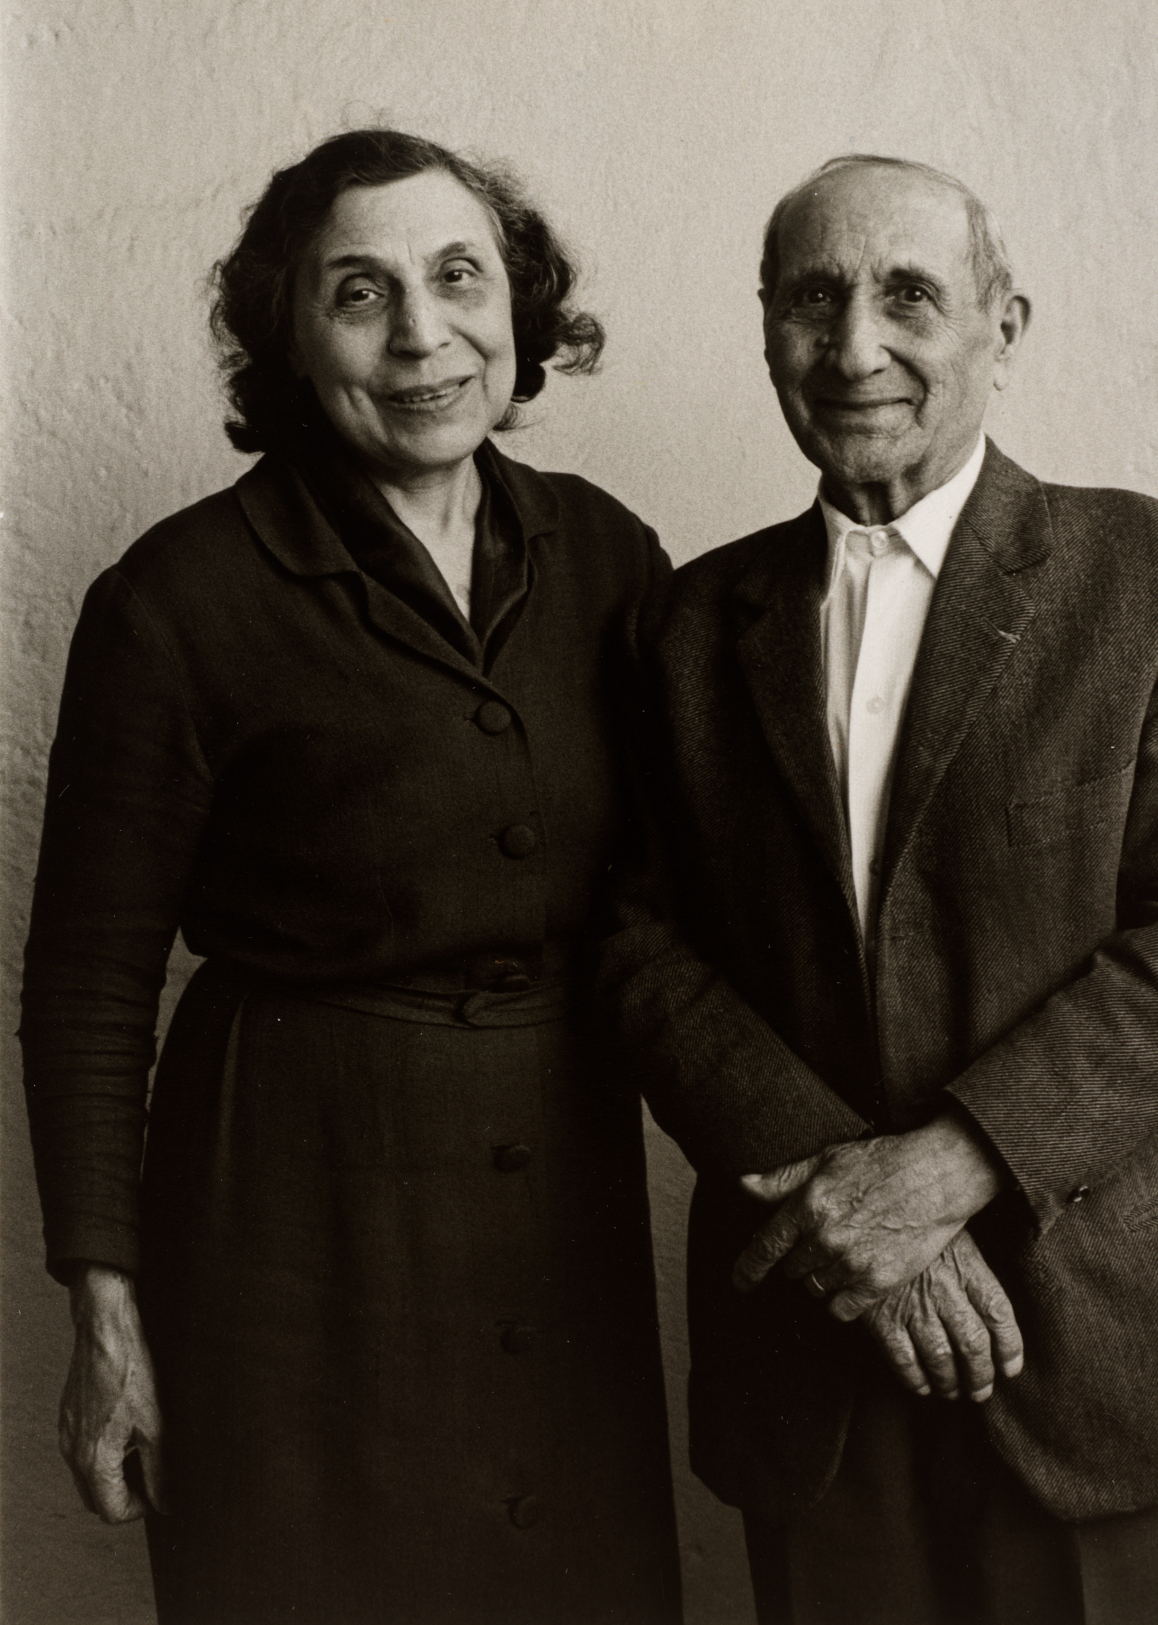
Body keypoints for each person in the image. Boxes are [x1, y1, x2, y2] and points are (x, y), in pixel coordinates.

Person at [598, 155, 1158, 1625]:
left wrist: (948, 1168)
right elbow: (636, 943)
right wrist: (851, 1207)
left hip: (1108, 1343)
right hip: (810, 1335)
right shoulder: (682, 623)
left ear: (1005, 324)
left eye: (910, 293)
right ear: (767, 328)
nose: (855, 346)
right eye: (813, 298)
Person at [21, 128, 682, 1625]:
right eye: (359, 292)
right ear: (289, 336)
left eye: (459, 277)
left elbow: (686, 906)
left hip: (559, 1189)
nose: (423, 333)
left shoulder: (608, 558)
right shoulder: (179, 598)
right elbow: (86, 982)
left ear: (520, 311)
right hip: (288, 1215)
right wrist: (107, 1316)